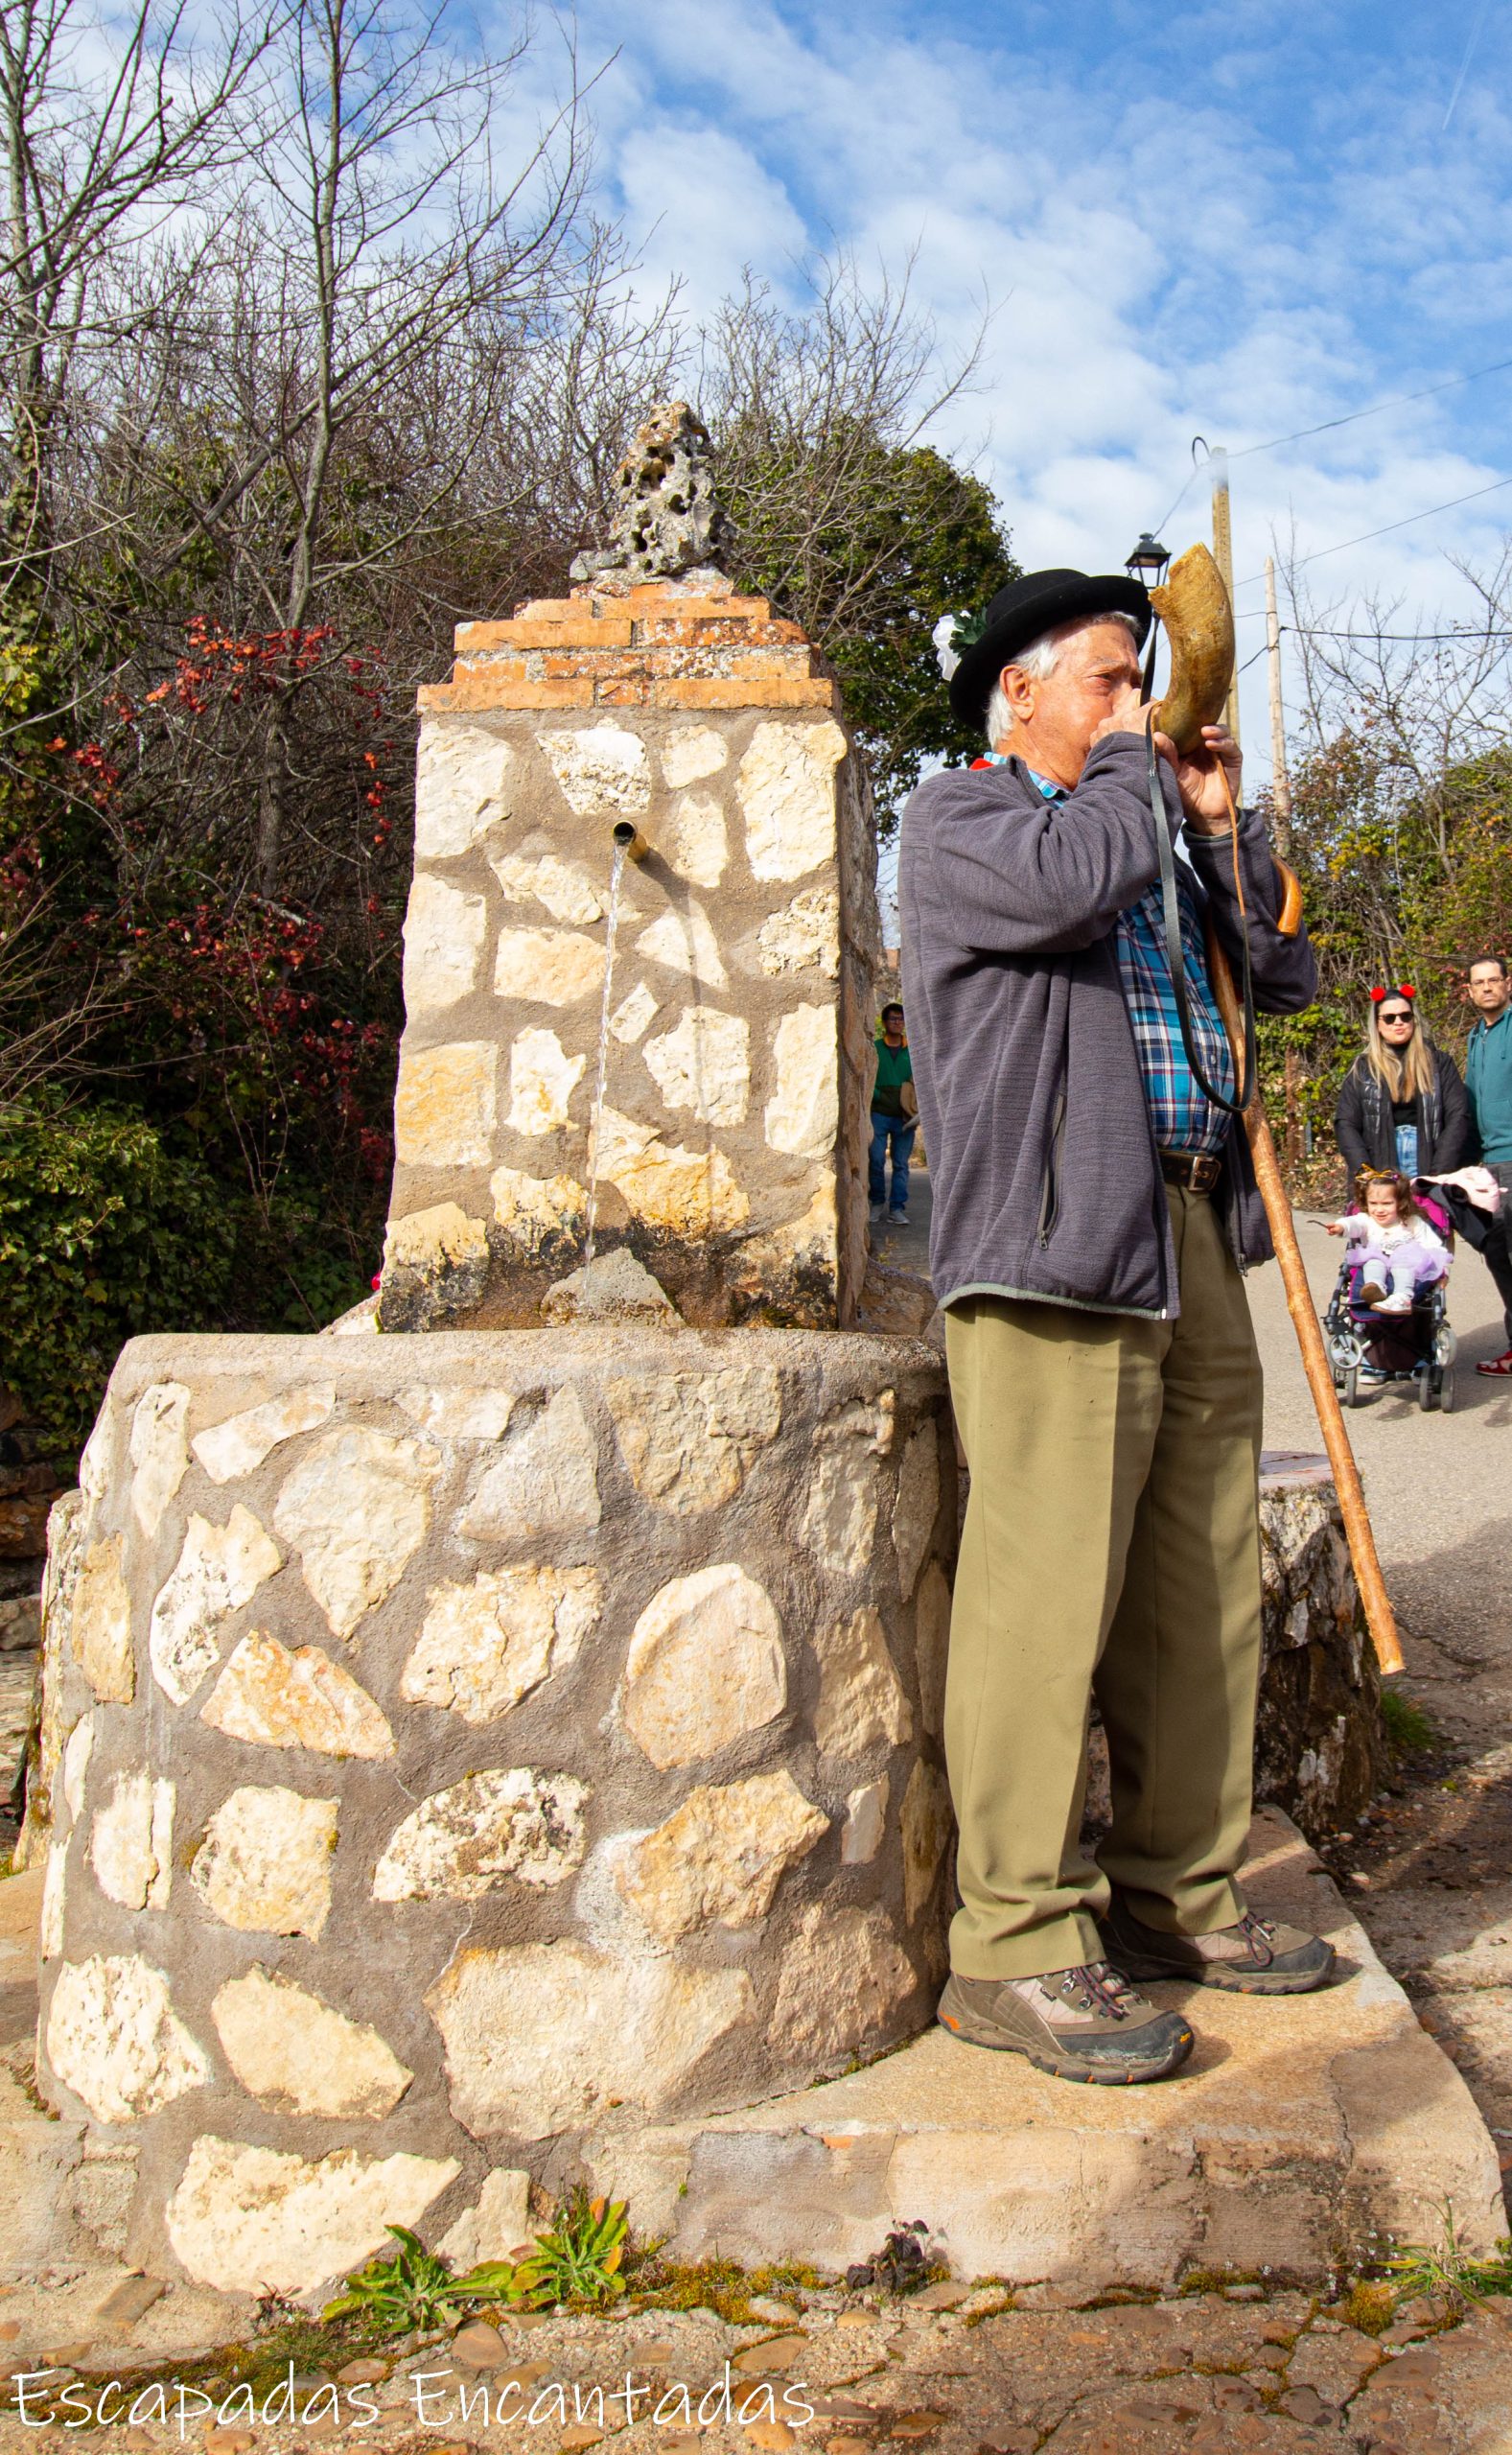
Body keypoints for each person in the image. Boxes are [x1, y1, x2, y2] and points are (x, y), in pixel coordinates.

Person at [900, 564, 1330, 2090]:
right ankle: (1012, 1944)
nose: (1135, 706)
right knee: (1046, 1587)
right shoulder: (965, 820)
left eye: (1135, 679)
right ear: (1016, 687)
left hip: (1191, 1227)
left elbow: (1279, 974)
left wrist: (1223, 829)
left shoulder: (1143, 829)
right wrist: (1148, 780)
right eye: (1105, 677)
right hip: (1051, 1247)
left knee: (1197, 1580)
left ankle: (1178, 1893)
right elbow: (1063, 884)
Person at [1334, 986, 1470, 1184]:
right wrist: (1367, 1174)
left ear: (1413, 1020)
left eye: (1405, 1016)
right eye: (1389, 1018)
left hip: (1428, 1157)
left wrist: (1438, 1173)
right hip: (1380, 1161)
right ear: (1377, 1024)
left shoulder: (1438, 1063)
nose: (1398, 1022)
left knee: (1426, 1215)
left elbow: (1458, 1116)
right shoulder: (1363, 1068)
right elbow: (1345, 1123)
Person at [1463, 955, 1512, 1375]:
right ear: (1470, 991)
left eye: (1493, 980)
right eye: (1479, 983)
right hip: (1489, 1166)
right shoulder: (1475, 1037)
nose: (1487, 988)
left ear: (1507, 984)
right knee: (1497, 1254)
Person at [1326, 1168, 1449, 1314]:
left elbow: (1432, 1245)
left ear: (1401, 1202)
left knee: (1403, 1265)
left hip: (1407, 1260)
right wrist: (1341, 1226)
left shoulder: (1412, 1221)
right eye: (1373, 1203)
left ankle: (1402, 1297)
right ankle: (1376, 1287)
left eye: (1386, 1203)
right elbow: (1353, 1223)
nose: (1379, 1209)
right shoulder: (1367, 1220)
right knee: (1372, 1263)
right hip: (1379, 1257)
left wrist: (1442, 1271)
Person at [870, 1003, 916, 1224]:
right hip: (878, 1114)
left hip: (904, 1117)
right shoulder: (875, 1048)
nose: (898, 1023)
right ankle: (877, 1203)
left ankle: (897, 1208)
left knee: (901, 1164)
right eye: (893, 1019)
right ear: (885, 1022)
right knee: (876, 1160)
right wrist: (877, 1096)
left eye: (901, 1019)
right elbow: (866, 1076)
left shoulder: (913, 1050)